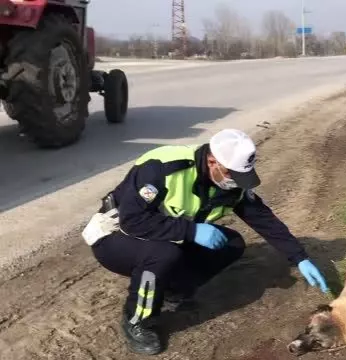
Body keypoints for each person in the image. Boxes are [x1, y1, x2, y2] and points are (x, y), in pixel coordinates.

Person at [81, 128, 329, 355]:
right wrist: (191, 231)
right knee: (164, 254)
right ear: (213, 161)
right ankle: (137, 320)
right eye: (233, 174)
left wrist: (299, 257)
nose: (236, 183)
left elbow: (263, 219)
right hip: (114, 234)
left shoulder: (229, 183)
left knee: (230, 244)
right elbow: (132, 220)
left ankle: (170, 288)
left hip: (165, 234)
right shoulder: (166, 168)